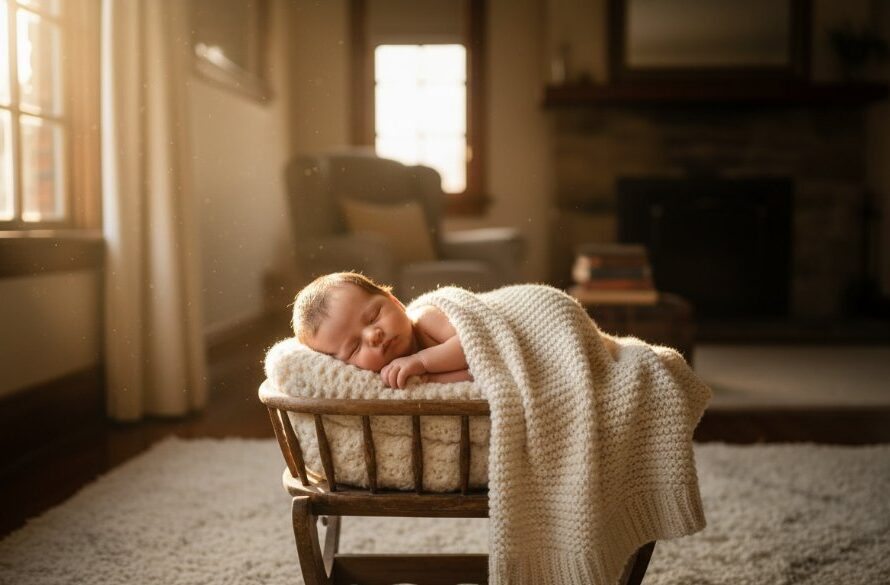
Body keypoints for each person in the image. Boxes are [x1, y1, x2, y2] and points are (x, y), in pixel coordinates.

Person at [292, 272, 473, 388]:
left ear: (394, 301)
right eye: (354, 347)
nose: (373, 335)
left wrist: (421, 362)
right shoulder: (384, 379)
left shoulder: (426, 319)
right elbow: (472, 377)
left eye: (374, 316)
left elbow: (472, 346)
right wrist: (426, 381)